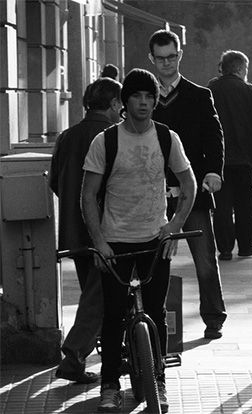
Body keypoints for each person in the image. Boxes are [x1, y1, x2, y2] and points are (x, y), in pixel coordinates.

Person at [81, 68, 196, 413]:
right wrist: (99, 241)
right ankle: (110, 385)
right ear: (125, 102)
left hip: (154, 239)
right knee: (113, 315)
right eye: (137, 97)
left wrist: (174, 225)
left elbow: (188, 187)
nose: (144, 103)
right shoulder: (106, 141)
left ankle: (157, 381)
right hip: (115, 242)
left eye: (150, 97)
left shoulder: (166, 137)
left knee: (158, 314)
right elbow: (87, 196)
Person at [148, 29, 228, 341]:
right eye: (160, 58)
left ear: (180, 55)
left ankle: (213, 316)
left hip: (193, 190)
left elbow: (215, 136)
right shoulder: (145, 98)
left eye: (172, 56)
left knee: (206, 258)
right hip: (152, 193)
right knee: (150, 261)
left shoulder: (199, 95)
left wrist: (213, 172)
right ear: (152, 59)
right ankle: (150, 320)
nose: (167, 63)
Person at [50, 77, 122, 385]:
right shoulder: (111, 136)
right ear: (113, 105)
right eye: (120, 102)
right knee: (101, 296)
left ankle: (105, 353)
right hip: (105, 231)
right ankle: (75, 355)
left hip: (74, 233)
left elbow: (55, 180)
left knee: (94, 294)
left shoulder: (68, 136)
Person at [209, 50, 252, 260]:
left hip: (219, 157)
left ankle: (225, 248)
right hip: (245, 157)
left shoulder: (211, 89)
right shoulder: (249, 90)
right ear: (239, 68)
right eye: (246, 68)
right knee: (245, 202)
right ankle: (246, 245)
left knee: (222, 203)